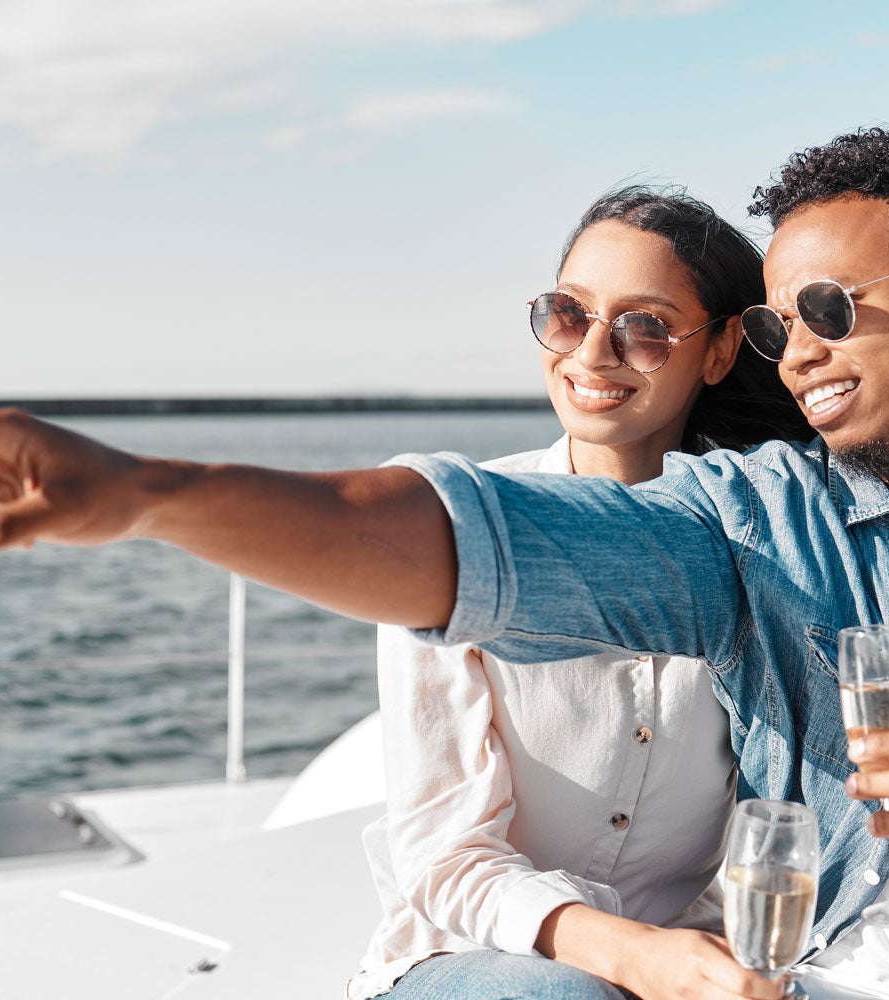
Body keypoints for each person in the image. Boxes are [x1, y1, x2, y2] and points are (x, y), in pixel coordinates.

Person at [0, 127, 889, 998]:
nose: (805, 357)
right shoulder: (759, 523)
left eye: (830, 306)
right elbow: (470, 543)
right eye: (780, 329)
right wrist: (157, 488)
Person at [354, 187, 809, 1000]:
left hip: (687, 963)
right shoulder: (459, 534)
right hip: (475, 959)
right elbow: (442, 854)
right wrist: (630, 957)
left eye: (645, 327)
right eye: (569, 314)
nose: (592, 354)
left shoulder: (769, 540)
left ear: (719, 350)